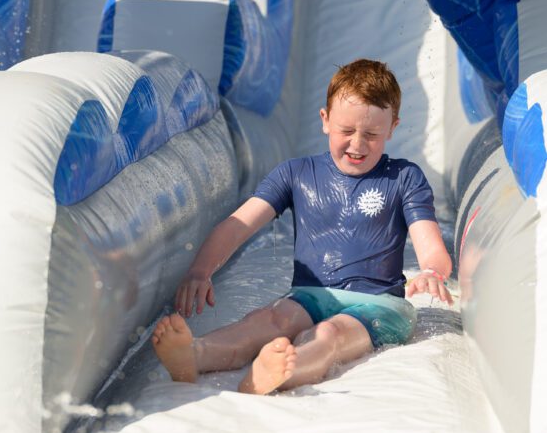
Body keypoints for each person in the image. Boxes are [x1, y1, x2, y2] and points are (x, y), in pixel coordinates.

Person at [151, 59, 453, 395]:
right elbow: (239, 224)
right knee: (269, 321)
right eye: (346, 131)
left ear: (392, 128)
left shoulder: (403, 177)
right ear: (325, 120)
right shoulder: (296, 174)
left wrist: (432, 272)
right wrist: (200, 271)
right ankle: (193, 355)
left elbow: (431, 245)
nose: (357, 144)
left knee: (329, 335)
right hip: (309, 296)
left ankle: (281, 372)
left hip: (380, 304)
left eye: (371, 134)